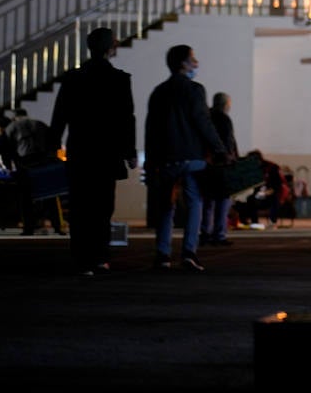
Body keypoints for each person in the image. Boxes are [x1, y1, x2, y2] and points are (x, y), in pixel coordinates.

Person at [49, 27, 138, 275]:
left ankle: (81, 257)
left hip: (80, 149)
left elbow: (60, 115)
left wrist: (53, 144)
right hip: (107, 152)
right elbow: (126, 118)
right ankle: (100, 256)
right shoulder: (120, 79)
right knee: (102, 206)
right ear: (112, 47)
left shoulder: (73, 78)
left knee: (79, 207)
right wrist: (129, 150)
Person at [144, 45, 231, 272]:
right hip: (192, 157)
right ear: (183, 63)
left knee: (165, 207)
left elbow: (151, 129)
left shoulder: (159, 91)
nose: (196, 63)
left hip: (166, 158)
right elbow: (203, 122)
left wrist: (150, 160)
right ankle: (189, 253)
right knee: (195, 204)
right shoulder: (194, 90)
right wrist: (219, 149)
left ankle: (162, 254)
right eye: (193, 59)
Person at [6, 108, 64, 236]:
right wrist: (54, 158)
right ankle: (57, 226)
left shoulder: (12, 126)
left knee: (26, 198)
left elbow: (6, 148)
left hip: (25, 164)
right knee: (50, 196)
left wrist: (9, 167)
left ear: (15, 117)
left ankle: (28, 228)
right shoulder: (39, 124)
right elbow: (55, 140)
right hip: (44, 163)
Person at [200, 92, 238, 246]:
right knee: (223, 201)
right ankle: (219, 234)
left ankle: (205, 233)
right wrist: (232, 158)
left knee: (208, 201)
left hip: (207, 165)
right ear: (225, 104)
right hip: (222, 165)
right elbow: (229, 141)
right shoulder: (224, 119)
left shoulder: (207, 116)